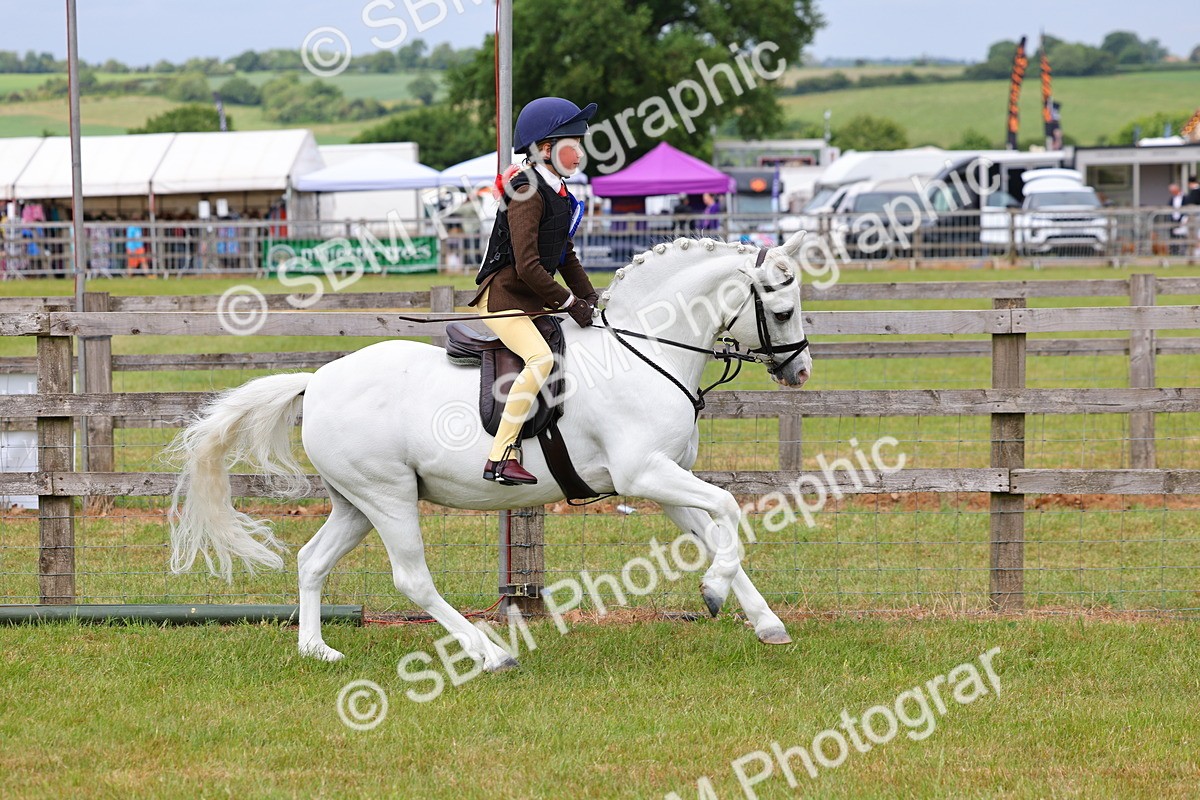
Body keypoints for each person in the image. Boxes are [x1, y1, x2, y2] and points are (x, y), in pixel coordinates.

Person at [469, 96, 599, 486]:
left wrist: (593, 299)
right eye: (573, 145)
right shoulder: (526, 190)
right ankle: (500, 457)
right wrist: (570, 303)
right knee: (540, 360)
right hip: (504, 298)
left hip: (531, 299)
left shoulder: (558, 192)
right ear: (545, 149)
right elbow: (527, 266)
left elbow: (564, 255)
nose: (580, 154)